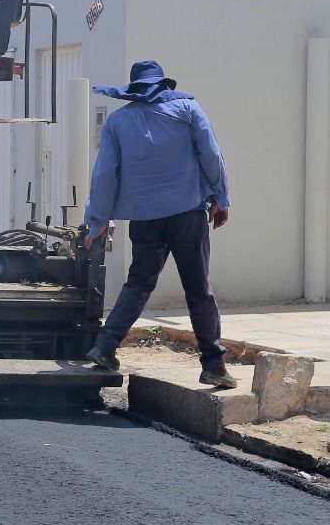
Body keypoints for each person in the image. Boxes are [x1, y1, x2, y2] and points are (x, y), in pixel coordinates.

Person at [82, 60, 236, 389]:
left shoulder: (117, 122)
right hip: (187, 215)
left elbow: (105, 175)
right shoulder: (188, 109)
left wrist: (97, 220)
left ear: (134, 89)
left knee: (138, 283)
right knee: (198, 289)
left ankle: (105, 346)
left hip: (144, 219)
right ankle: (214, 365)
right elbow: (211, 154)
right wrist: (221, 198)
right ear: (163, 84)